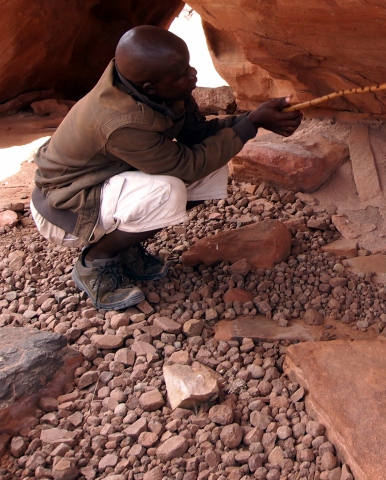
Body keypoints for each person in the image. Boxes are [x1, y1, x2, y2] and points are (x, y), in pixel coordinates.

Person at [30, 25, 301, 310]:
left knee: (213, 167)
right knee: (167, 189)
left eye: (188, 65)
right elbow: (183, 166)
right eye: (183, 74)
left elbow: (196, 135)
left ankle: (124, 246)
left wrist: (252, 119)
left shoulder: (156, 84)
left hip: (104, 180)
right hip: (65, 205)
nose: (193, 74)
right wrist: (251, 125)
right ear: (151, 87)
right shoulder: (121, 120)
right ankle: (96, 261)